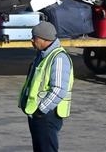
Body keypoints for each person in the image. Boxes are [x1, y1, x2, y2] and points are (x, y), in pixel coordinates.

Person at [19, 21, 74, 152]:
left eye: (34, 37)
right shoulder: (42, 54)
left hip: (48, 115)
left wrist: (41, 110)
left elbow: (59, 89)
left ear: (45, 39)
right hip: (37, 113)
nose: (32, 40)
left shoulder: (59, 58)